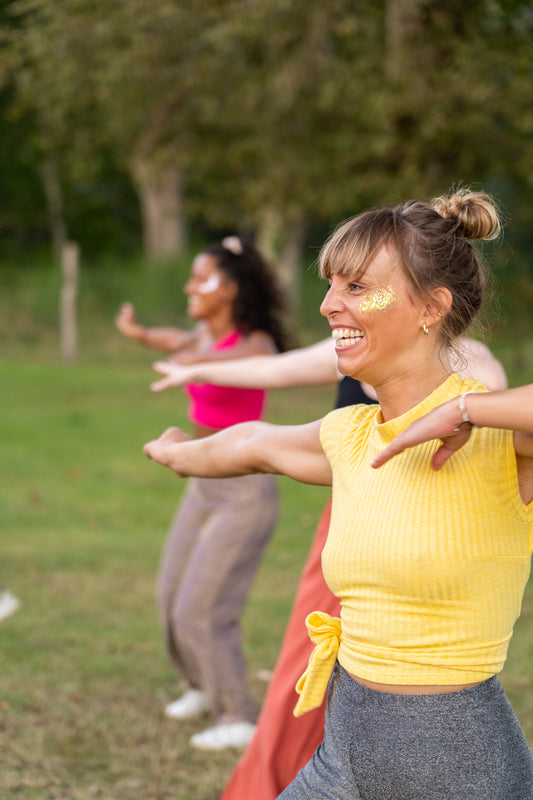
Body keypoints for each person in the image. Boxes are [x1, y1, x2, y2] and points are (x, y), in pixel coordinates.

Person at [143, 188, 533, 799]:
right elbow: (254, 443)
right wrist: (177, 453)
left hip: (460, 770)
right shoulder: (351, 435)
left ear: (432, 306)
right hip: (345, 755)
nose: (328, 306)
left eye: (356, 288)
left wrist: (464, 409)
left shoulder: (498, 439)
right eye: (331, 286)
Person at [116, 236, 290, 751]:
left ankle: (237, 714)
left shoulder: (255, 344)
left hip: (244, 492)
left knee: (203, 607)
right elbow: (179, 340)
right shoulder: (200, 336)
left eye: (202, 278)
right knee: (170, 594)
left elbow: (246, 367)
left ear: (231, 289)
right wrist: (141, 334)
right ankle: (199, 683)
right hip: (202, 485)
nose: (190, 287)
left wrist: (196, 366)